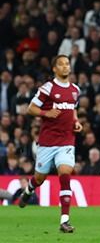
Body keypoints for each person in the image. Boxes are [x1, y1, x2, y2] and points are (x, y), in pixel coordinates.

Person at [17, 55, 82, 233]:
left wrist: (76, 122)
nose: (65, 67)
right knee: (39, 178)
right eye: (61, 64)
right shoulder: (48, 88)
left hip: (67, 140)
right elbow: (31, 108)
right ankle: (29, 190)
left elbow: (73, 109)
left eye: (67, 63)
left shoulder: (75, 90)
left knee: (65, 174)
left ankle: (65, 220)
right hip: (47, 141)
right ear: (54, 68)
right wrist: (46, 113)